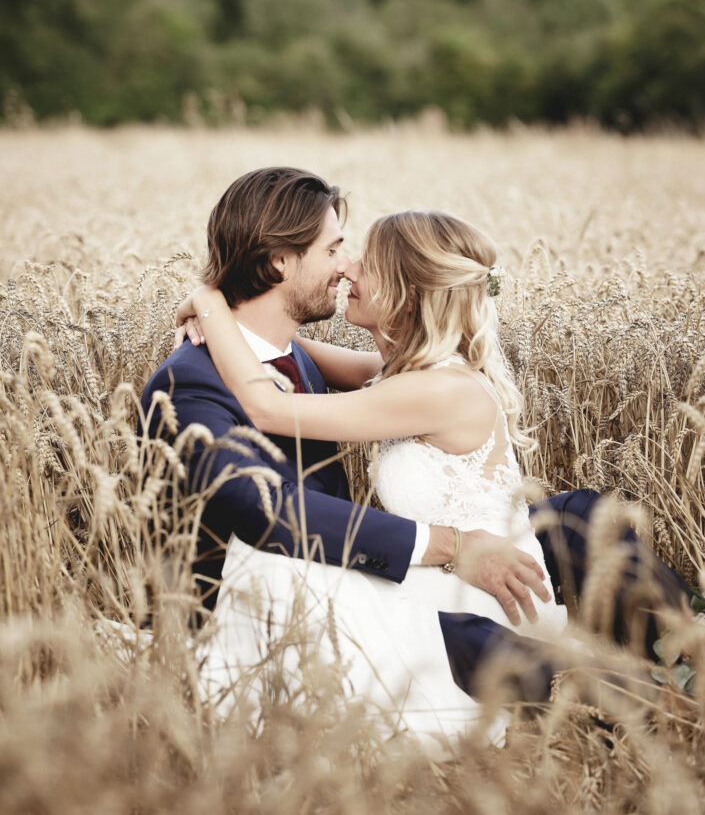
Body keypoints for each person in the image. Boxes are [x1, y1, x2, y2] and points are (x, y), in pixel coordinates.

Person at [141, 167, 692, 747]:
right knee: (468, 625)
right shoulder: (193, 382)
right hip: (269, 597)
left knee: (575, 518)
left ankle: (672, 659)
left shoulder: (378, 375)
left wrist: (213, 306)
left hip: (376, 568)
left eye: (357, 257)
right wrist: (219, 310)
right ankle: (628, 694)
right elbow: (264, 507)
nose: (344, 266)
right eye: (333, 248)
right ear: (280, 261)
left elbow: (276, 392)